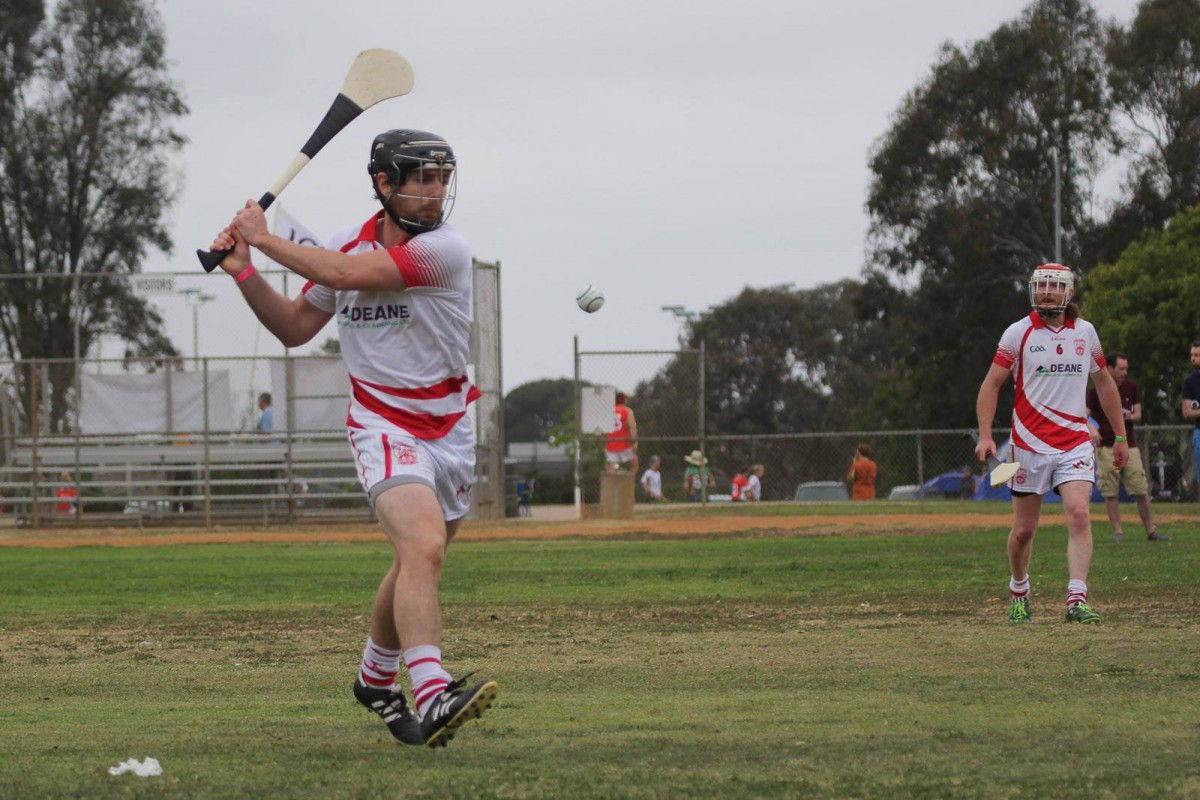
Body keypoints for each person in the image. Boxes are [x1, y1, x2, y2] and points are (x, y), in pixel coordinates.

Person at [208, 128, 496, 748]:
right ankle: (431, 689)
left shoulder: (444, 249)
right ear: (384, 184)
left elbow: (342, 271)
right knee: (422, 548)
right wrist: (244, 272)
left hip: (449, 428)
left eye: (441, 177)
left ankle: (374, 679)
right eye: (421, 178)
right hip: (381, 424)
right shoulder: (344, 245)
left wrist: (263, 236)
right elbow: (293, 327)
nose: (434, 192)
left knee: (418, 557)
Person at [975, 263, 1129, 625]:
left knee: (1078, 514)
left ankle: (1076, 598)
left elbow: (1105, 384)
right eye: (1041, 285)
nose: (1046, 291)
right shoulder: (1018, 333)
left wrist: (1120, 435)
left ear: (1068, 293)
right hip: (1027, 446)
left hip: (1074, 443)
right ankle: (1019, 590)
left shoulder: (1086, 333)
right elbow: (990, 386)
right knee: (1024, 531)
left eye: (1053, 286)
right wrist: (985, 436)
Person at [1085, 352, 1169, 542]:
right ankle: (1118, 532)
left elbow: (1138, 414)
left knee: (1141, 488)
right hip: (1106, 447)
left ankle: (1151, 530)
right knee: (1110, 491)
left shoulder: (1132, 387)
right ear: (1110, 369)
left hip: (1129, 445)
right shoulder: (1096, 390)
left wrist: (1128, 416)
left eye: (1126, 369)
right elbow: (1083, 414)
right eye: (1121, 368)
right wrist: (1092, 429)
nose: (1125, 372)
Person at [1181, 341, 1200, 497]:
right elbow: (1187, 412)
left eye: (1197, 355)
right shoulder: (1190, 382)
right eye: (1192, 355)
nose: (1193, 358)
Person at [605, 391, 638, 473]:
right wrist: (634, 442)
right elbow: (632, 427)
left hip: (611, 445)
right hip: (625, 445)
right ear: (623, 400)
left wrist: (604, 444)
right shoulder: (627, 411)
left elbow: (603, 430)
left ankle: (612, 483)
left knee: (611, 468)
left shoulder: (608, 412)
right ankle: (628, 483)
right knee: (634, 465)